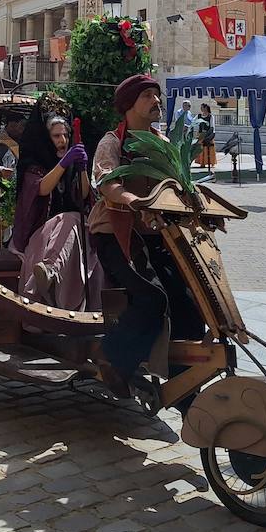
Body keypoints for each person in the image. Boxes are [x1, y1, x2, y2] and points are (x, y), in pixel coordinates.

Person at [90, 74, 206, 398]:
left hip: (155, 235)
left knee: (191, 302)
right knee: (152, 299)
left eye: (158, 95)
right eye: (148, 96)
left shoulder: (165, 144)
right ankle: (111, 358)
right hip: (115, 234)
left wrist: (199, 209)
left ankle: (184, 385)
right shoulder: (112, 142)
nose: (157, 101)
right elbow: (107, 185)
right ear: (130, 105)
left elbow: (182, 187)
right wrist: (134, 201)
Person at [11, 99, 91, 308]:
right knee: (69, 218)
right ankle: (50, 268)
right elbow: (41, 188)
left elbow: (82, 196)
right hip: (40, 234)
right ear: (46, 138)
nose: (63, 140)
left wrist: (82, 168)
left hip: (73, 234)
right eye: (56, 136)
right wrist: (63, 164)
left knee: (77, 221)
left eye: (65, 135)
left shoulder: (71, 161)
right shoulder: (32, 163)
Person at [195, 103, 216, 170]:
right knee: (201, 149)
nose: (201, 109)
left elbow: (212, 126)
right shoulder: (198, 116)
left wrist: (209, 135)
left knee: (208, 148)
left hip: (208, 134)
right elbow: (193, 122)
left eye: (202, 107)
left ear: (205, 108)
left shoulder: (210, 116)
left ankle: (209, 162)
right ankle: (202, 162)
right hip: (201, 134)